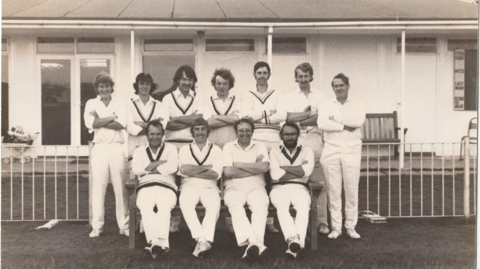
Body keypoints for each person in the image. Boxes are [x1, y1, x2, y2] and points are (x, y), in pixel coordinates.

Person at [317, 73, 366, 240]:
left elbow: (357, 122)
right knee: (333, 190)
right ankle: (336, 228)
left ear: (347, 86)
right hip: (330, 150)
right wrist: (344, 125)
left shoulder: (358, 104)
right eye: (335, 86)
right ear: (332, 88)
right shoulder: (325, 104)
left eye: (341, 85)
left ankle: (350, 227)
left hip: (352, 150)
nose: (338, 88)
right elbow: (321, 123)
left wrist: (336, 119)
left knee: (351, 189)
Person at [284, 63, 329, 234]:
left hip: (315, 139)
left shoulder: (321, 96)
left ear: (311, 76)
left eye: (306, 75)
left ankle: (322, 222)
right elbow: (287, 120)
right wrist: (310, 116)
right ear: (296, 78)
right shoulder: (288, 97)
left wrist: (299, 119)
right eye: (300, 76)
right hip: (296, 140)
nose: (303, 79)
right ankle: (297, 220)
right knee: (298, 181)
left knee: (319, 182)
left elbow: (322, 118)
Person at [241, 61, 285, 233]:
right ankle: (254, 219)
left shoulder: (277, 94)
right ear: (254, 75)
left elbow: (282, 114)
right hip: (256, 140)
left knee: (271, 180)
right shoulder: (248, 94)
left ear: (269, 75)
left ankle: (269, 221)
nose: (262, 76)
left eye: (265, 73)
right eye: (259, 73)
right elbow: (246, 115)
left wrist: (258, 116)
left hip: (274, 140)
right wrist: (269, 113)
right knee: (257, 179)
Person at [83, 72, 129, 238]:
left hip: (117, 147)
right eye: (101, 86)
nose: (104, 89)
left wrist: (100, 120)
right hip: (100, 148)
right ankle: (97, 226)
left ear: (112, 87)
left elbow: (120, 125)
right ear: (97, 88)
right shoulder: (91, 103)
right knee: (98, 187)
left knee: (120, 188)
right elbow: (91, 124)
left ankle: (124, 226)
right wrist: (110, 117)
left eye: (107, 86)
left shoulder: (120, 102)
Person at [222, 118, 270, 261]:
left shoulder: (260, 146)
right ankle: (255, 243)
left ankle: (252, 245)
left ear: (252, 131)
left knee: (261, 207)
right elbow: (228, 172)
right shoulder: (228, 147)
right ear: (236, 132)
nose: (244, 133)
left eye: (248, 130)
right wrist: (253, 167)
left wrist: (238, 164)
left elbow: (264, 167)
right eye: (241, 130)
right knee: (235, 206)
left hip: (257, 187)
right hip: (234, 187)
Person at [131, 121, 178, 260]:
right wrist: (160, 164)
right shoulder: (139, 151)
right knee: (145, 207)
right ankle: (160, 244)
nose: (155, 137)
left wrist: (148, 168)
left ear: (163, 135)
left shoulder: (171, 148)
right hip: (146, 186)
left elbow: (173, 167)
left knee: (164, 207)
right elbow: (136, 169)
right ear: (147, 135)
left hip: (167, 186)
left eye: (158, 134)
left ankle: (154, 243)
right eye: (152, 134)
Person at [177, 118, 223, 258]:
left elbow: (216, 174)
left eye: (203, 129)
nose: (200, 132)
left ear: (208, 131)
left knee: (213, 206)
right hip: (188, 186)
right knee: (186, 205)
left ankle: (202, 241)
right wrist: (207, 168)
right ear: (192, 132)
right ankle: (203, 240)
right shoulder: (185, 149)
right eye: (197, 129)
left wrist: (195, 170)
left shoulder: (216, 149)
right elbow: (183, 170)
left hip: (210, 187)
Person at [269, 122, 314, 259]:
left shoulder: (307, 150)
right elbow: (274, 175)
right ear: (281, 135)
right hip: (279, 188)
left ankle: (294, 242)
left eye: (293, 134)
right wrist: (298, 169)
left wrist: (283, 168)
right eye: (286, 134)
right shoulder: (274, 150)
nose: (290, 137)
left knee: (303, 207)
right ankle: (295, 240)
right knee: (282, 207)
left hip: (300, 187)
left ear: (298, 135)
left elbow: (306, 171)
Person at [126, 73, 169, 174]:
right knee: (136, 179)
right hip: (134, 147)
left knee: (155, 176)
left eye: (147, 84)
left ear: (151, 86)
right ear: (137, 85)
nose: (144, 87)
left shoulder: (159, 105)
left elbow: (163, 125)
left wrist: (142, 124)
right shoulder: (129, 104)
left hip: (155, 149)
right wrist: (154, 125)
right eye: (141, 83)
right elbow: (130, 127)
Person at [162, 65, 204, 150]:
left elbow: (200, 121)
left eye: (190, 80)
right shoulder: (167, 98)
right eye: (184, 79)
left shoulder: (198, 98)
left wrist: (174, 119)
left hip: (192, 144)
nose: (187, 83)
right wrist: (192, 119)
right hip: (170, 145)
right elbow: (167, 125)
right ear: (178, 80)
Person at [203, 68, 241, 149]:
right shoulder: (207, 101)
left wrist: (215, 117)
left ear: (230, 85)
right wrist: (230, 119)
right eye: (219, 83)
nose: (221, 86)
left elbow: (237, 120)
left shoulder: (237, 101)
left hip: (233, 146)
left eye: (225, 84)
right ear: (214, 84)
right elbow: (208, 123)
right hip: (212, 146)